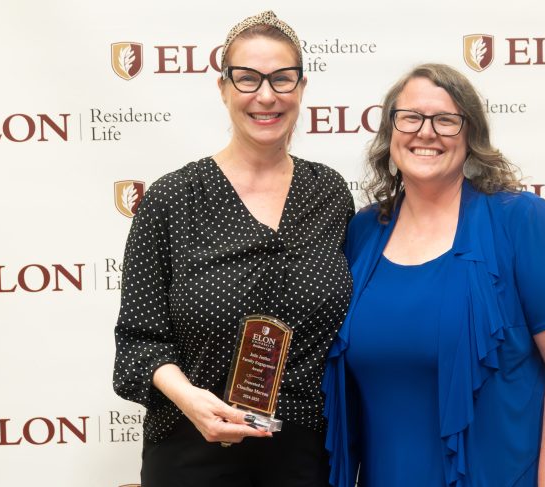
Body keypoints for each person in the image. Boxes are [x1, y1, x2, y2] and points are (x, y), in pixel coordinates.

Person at [322, 63, 545, 487]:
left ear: (470, 135)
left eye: (446, 120)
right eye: (411, 117)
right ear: (390, 130)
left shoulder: (520, 220)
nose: (426, 132)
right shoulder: (363, 232)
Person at [113, 11, 354, 487]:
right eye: (247, 79)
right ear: (222, 88)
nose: (266, 95)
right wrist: (189, 398)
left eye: (282, 79)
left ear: (301, 89)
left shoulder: (329, 194)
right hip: (193, 448)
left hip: (306, 456)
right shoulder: (172, 199)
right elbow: (137, 345)